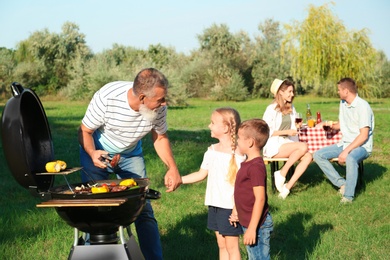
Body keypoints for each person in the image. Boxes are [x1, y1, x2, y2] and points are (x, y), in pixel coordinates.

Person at [78, 68, 182, 259]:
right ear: (142, 97)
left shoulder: (159, 107)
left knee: (142, 209)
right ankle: (93, 255)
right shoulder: (107, 97)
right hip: (97, 150)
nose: (164, 103)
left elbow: (159, 137)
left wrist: (173, 168)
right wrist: (93, 153)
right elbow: (85, 131)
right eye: (160, 100)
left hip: (131, 155)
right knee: (94, 210)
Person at [181, 107, 245, 260]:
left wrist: (236, 209)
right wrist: (179, 180)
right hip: (215, 205)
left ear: (225, 128)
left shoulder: (238, 155)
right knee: (221, 244)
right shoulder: (211, 151)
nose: (209, 125)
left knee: (232, 247)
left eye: (212, 123)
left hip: (230, 207)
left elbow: (241, 187)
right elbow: (201, 174)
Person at [313, 77, 374, 204]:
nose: (337, 92)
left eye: (339, 90)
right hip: (345, 143)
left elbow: (363, 136)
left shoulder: (363, 106)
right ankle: (343, 184)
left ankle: (348, 197)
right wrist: (332, 127)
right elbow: (343, 123)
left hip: (362, 146)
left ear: (346, 91)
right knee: (318, 155)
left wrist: (346, 151)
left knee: (351, 158)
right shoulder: (343, 103)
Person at [229, 119, 273, 260]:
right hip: (248, 221)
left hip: (257, 225)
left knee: (258, 257)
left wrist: (253, 228)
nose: (237, 142)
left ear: (250, 142)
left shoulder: (256, 167)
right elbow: (242, 191)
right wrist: (237, 210)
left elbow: (260, 198)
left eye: (239, 139)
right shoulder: (248, 163)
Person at [262, 79, 312, 199]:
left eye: (293, 91)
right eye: (289, 91)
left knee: (308, 157)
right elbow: (266, 131)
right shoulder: (271, 109)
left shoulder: (291, 107)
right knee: (303, 146)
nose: (292, 94)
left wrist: (297, 126)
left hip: (288, 143)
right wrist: (287, 132)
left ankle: (287, 188)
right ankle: (282, 172)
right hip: (274, 145)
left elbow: (293, 127)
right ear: (280, 92)